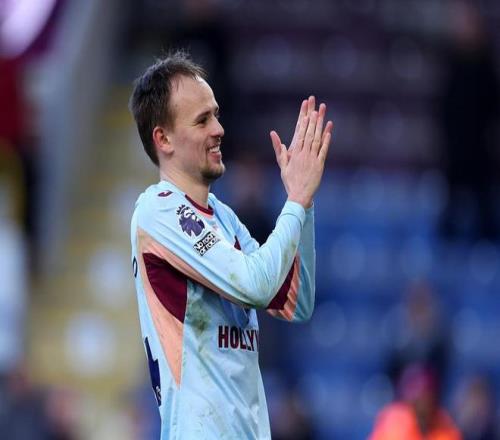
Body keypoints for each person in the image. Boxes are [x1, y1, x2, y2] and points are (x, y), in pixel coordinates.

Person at [128, 50, 333, 439]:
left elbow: (295, 300)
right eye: (202, 120)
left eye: (216, 115)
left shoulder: (224, 218)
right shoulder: (159, 210)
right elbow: (254, 285)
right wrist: (294, 202)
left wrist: (303, 203)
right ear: (163, 138)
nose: (219, 129)